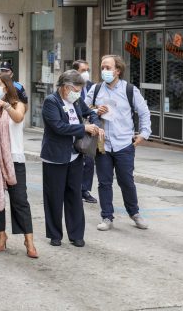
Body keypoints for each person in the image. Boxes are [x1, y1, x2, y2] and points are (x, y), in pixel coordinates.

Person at [86, 55, 152, 231]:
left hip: (124, 144)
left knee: (126, 181)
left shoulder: (130, 90)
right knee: (104, 182)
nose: (104, 71)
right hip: (102, 144)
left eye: (108, 68)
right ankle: (107, 217)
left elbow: (144, 113)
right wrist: (95, 111)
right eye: (102, 67)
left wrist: (144, 134)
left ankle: (134, 213)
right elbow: (83, 110)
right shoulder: (96, 89)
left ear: (118, 70)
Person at [41, 70, 103, 248]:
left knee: (74, 195)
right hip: (55, 157)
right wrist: (84, 129)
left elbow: (90, 113)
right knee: (54, 196)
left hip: (75, 156)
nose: (78, 93)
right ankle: (54, 234)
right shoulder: (51, 102)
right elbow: (59, 127)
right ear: (65, 88)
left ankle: (76, 235)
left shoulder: (75, 100)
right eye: (76, 89)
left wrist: (95, 125)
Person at [0, 73, 38, 258]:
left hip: (13, 158)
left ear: (7, 87)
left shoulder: (17, 104)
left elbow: (18, 118)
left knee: (20, 200)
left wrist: (3, 105)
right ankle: (1, 236)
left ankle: (29, 240)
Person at [72, 60, 97, 204]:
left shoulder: (92, 86)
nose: (86, 73)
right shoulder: (68, 87)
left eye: (87, 69)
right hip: (72, 128)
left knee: (89, 159)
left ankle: (84, 190)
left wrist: (95, 112)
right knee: (74, 160)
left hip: (86, 128)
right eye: (83, 70)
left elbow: (91, 106)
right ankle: (72, 189)